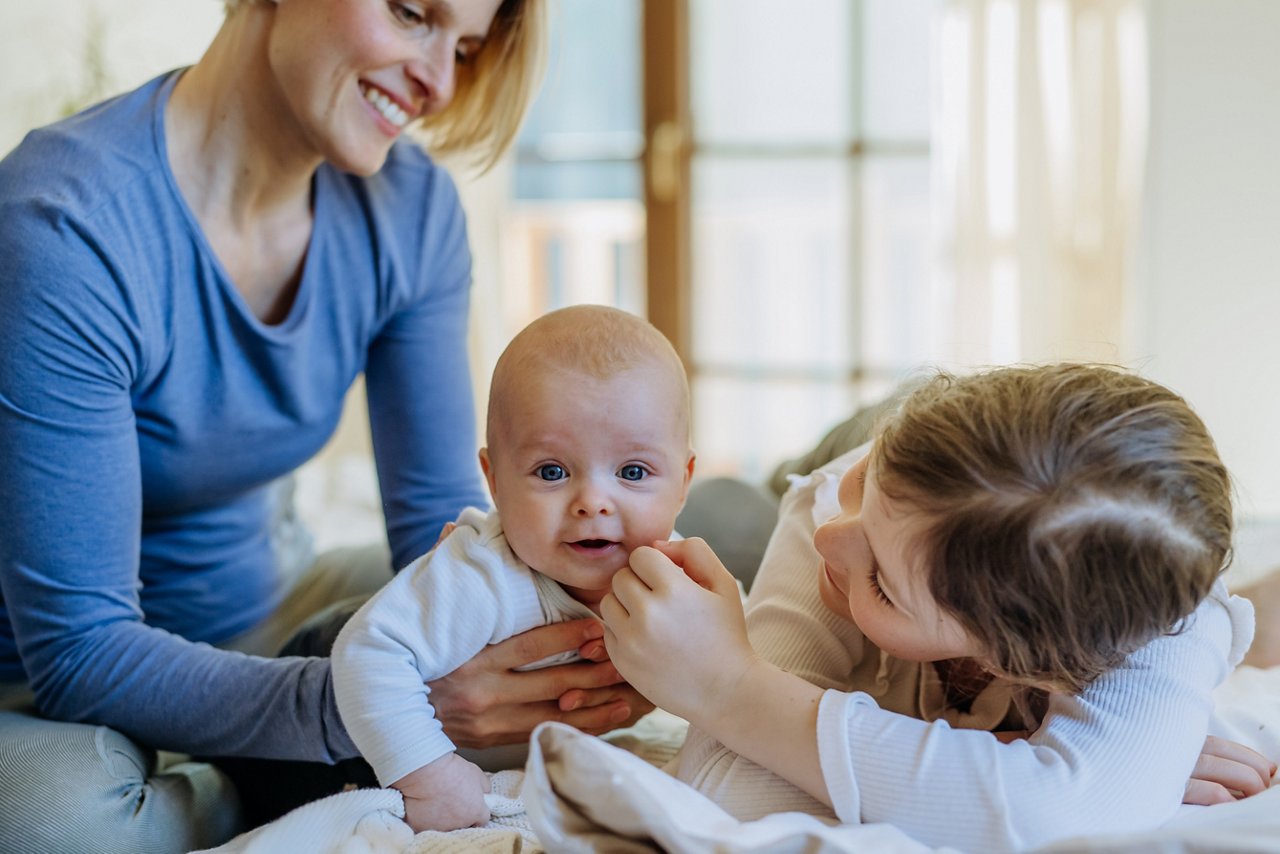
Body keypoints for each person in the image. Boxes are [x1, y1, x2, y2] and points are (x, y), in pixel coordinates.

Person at [0, 2, 650, 851]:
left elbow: (436, 539)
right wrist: (383, 712)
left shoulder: (408, 210)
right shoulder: (66, 227)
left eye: (465, 47)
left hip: (280, 616)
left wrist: (540, 643)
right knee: (63, 823)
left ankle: (272, 762)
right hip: (51, 687)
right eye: (414, 12)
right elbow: (80, 653)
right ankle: (265, 776)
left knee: (702, 530)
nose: (440, 80)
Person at [602, 364, 1273, 853]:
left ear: (1019, 662)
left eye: (886, 589)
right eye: (871, 488)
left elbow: (1064, 812)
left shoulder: (1164, 624)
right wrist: (993, 779)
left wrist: (731, 687)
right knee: (725, 513)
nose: (837, 537)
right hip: (831, 464)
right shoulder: (836, 503)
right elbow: (724, 788)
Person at [331, 304, 697, 832]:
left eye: (633, 471)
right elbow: (367, 651)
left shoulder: (674, 573)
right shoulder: (482, 575)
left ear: (684, 481)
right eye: (552, 471)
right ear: (494, 478)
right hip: (356, 745)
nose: (593, 501)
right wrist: (430, 776)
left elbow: (736, 667)